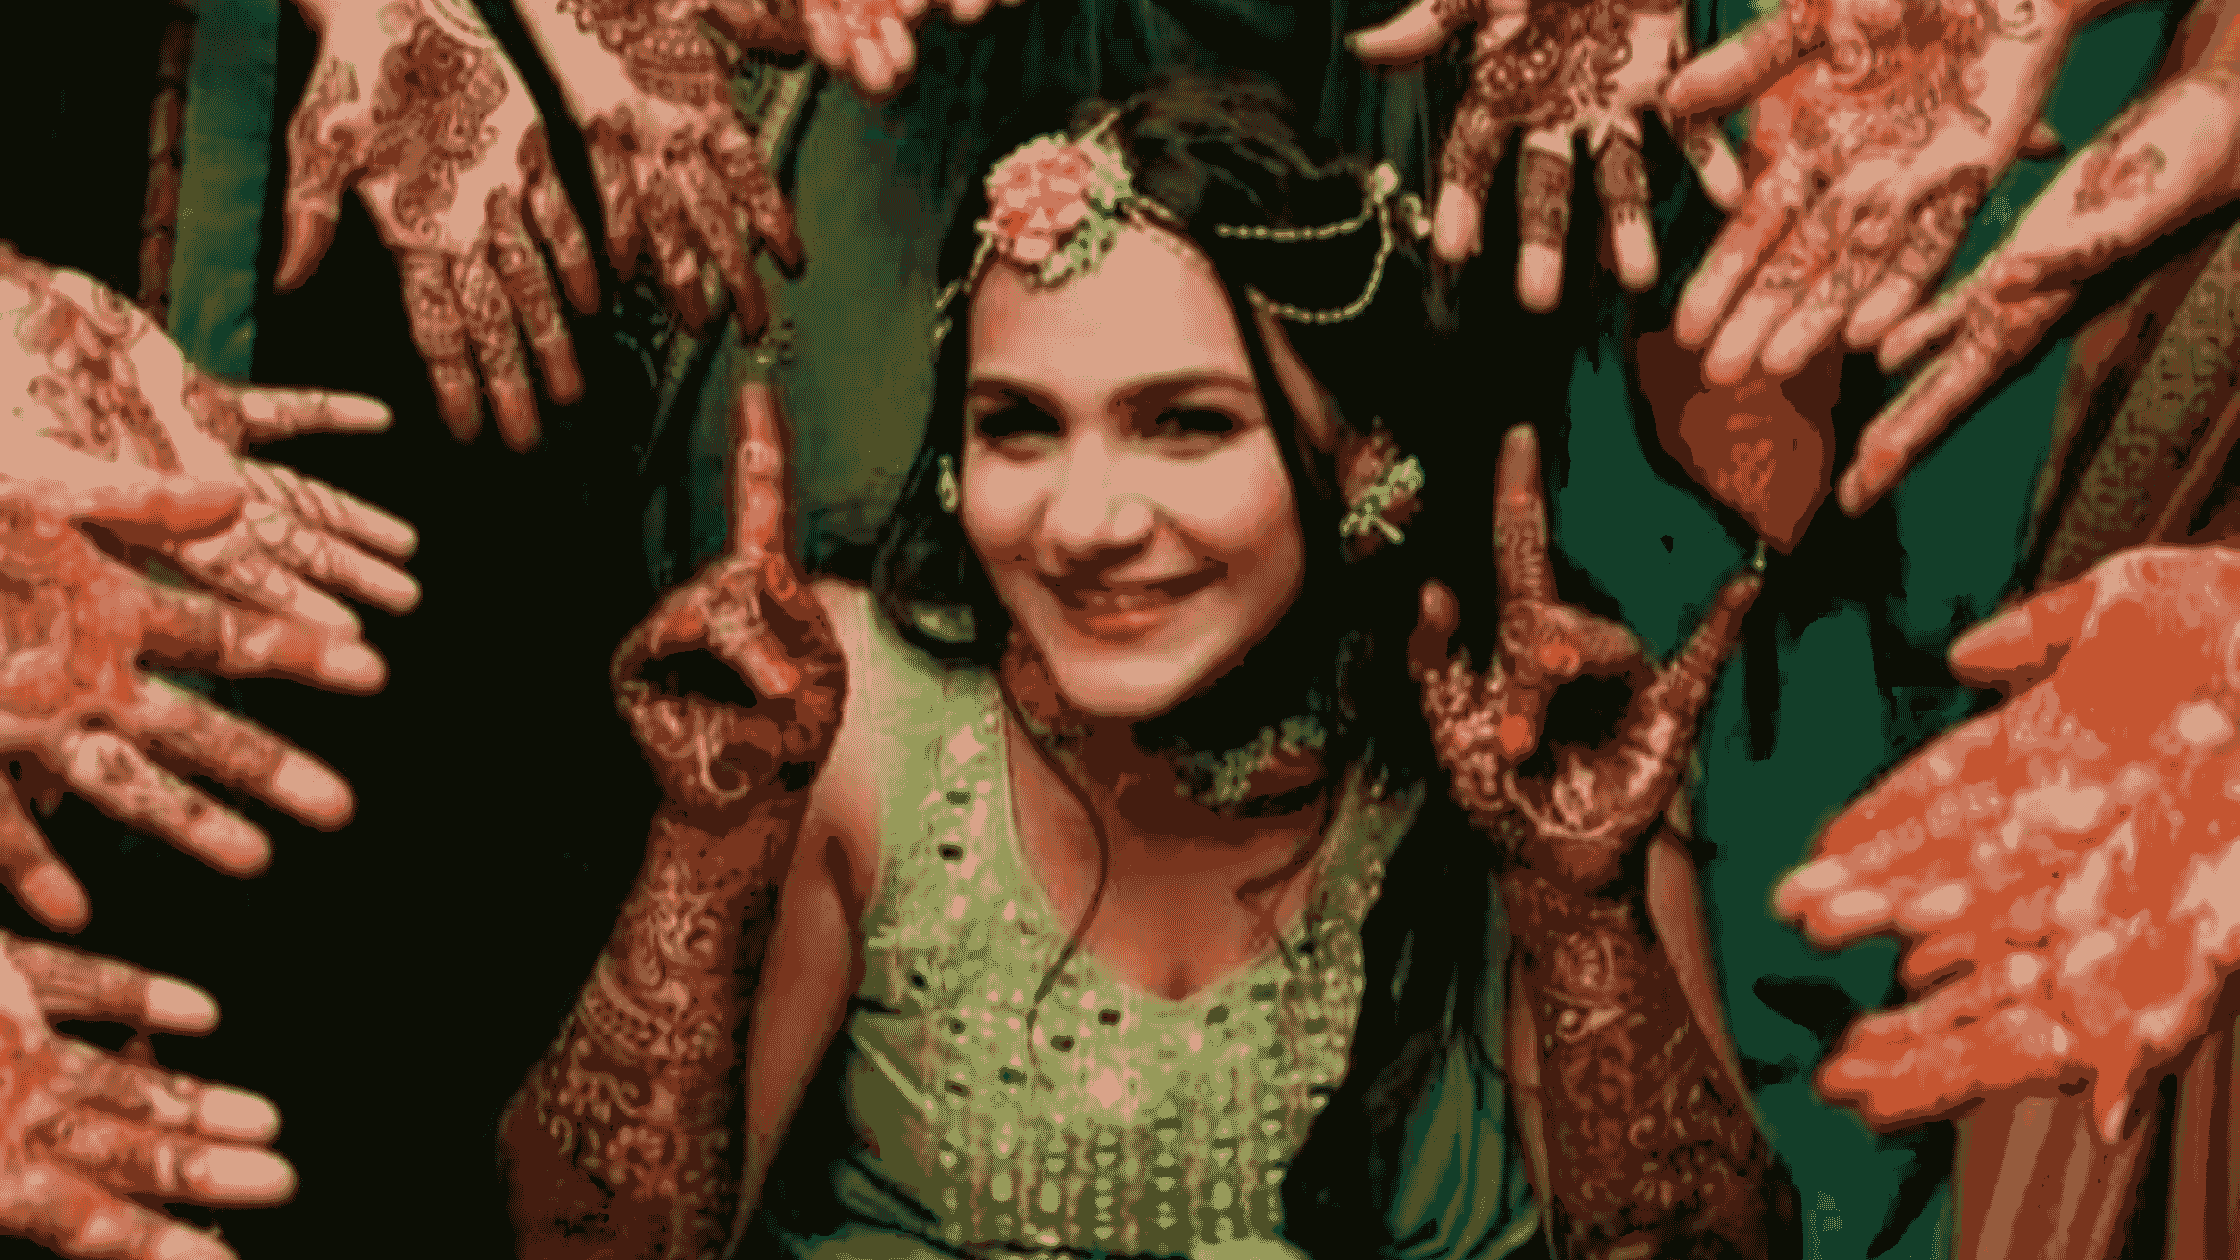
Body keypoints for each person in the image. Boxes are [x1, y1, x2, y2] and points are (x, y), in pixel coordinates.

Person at [500, 69, 1780, 1260]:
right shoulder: (845, 716)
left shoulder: (1534, 734)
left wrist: (1577, 911)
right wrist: (708, 851)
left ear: (1366, 455)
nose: (1084, 523)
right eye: (1018, 426)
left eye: (1185, 425)